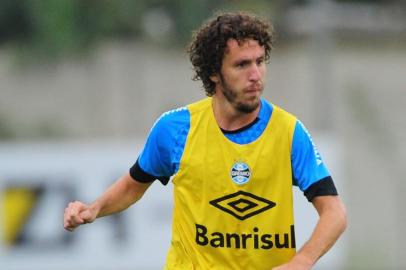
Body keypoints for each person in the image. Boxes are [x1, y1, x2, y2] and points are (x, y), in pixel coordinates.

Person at [64, 12, 347, 270]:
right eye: (242, 65)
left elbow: (334, 212)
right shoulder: (175, 130)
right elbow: (132, 186)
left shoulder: (289, 132)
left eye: (260, 61)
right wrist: (94, 208)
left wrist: (303, 260)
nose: (255, 75)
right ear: (214, 72)